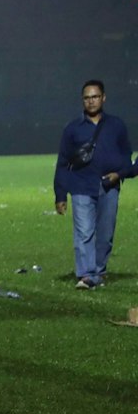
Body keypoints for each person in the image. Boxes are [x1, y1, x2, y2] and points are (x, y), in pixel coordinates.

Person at [55, 80, 136, 288]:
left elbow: (126, 156)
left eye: (95, 97)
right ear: (82, 100)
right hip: (81, 186)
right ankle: (86, 274)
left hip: (109, 187)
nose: (91, 101)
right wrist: (60, 195)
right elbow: (63, 162)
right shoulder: (73, 129)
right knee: (84, 232)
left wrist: (118, 174)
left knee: (105, 234)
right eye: (87, 98)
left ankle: (98, 271)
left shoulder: (116, 126)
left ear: (103, 98)